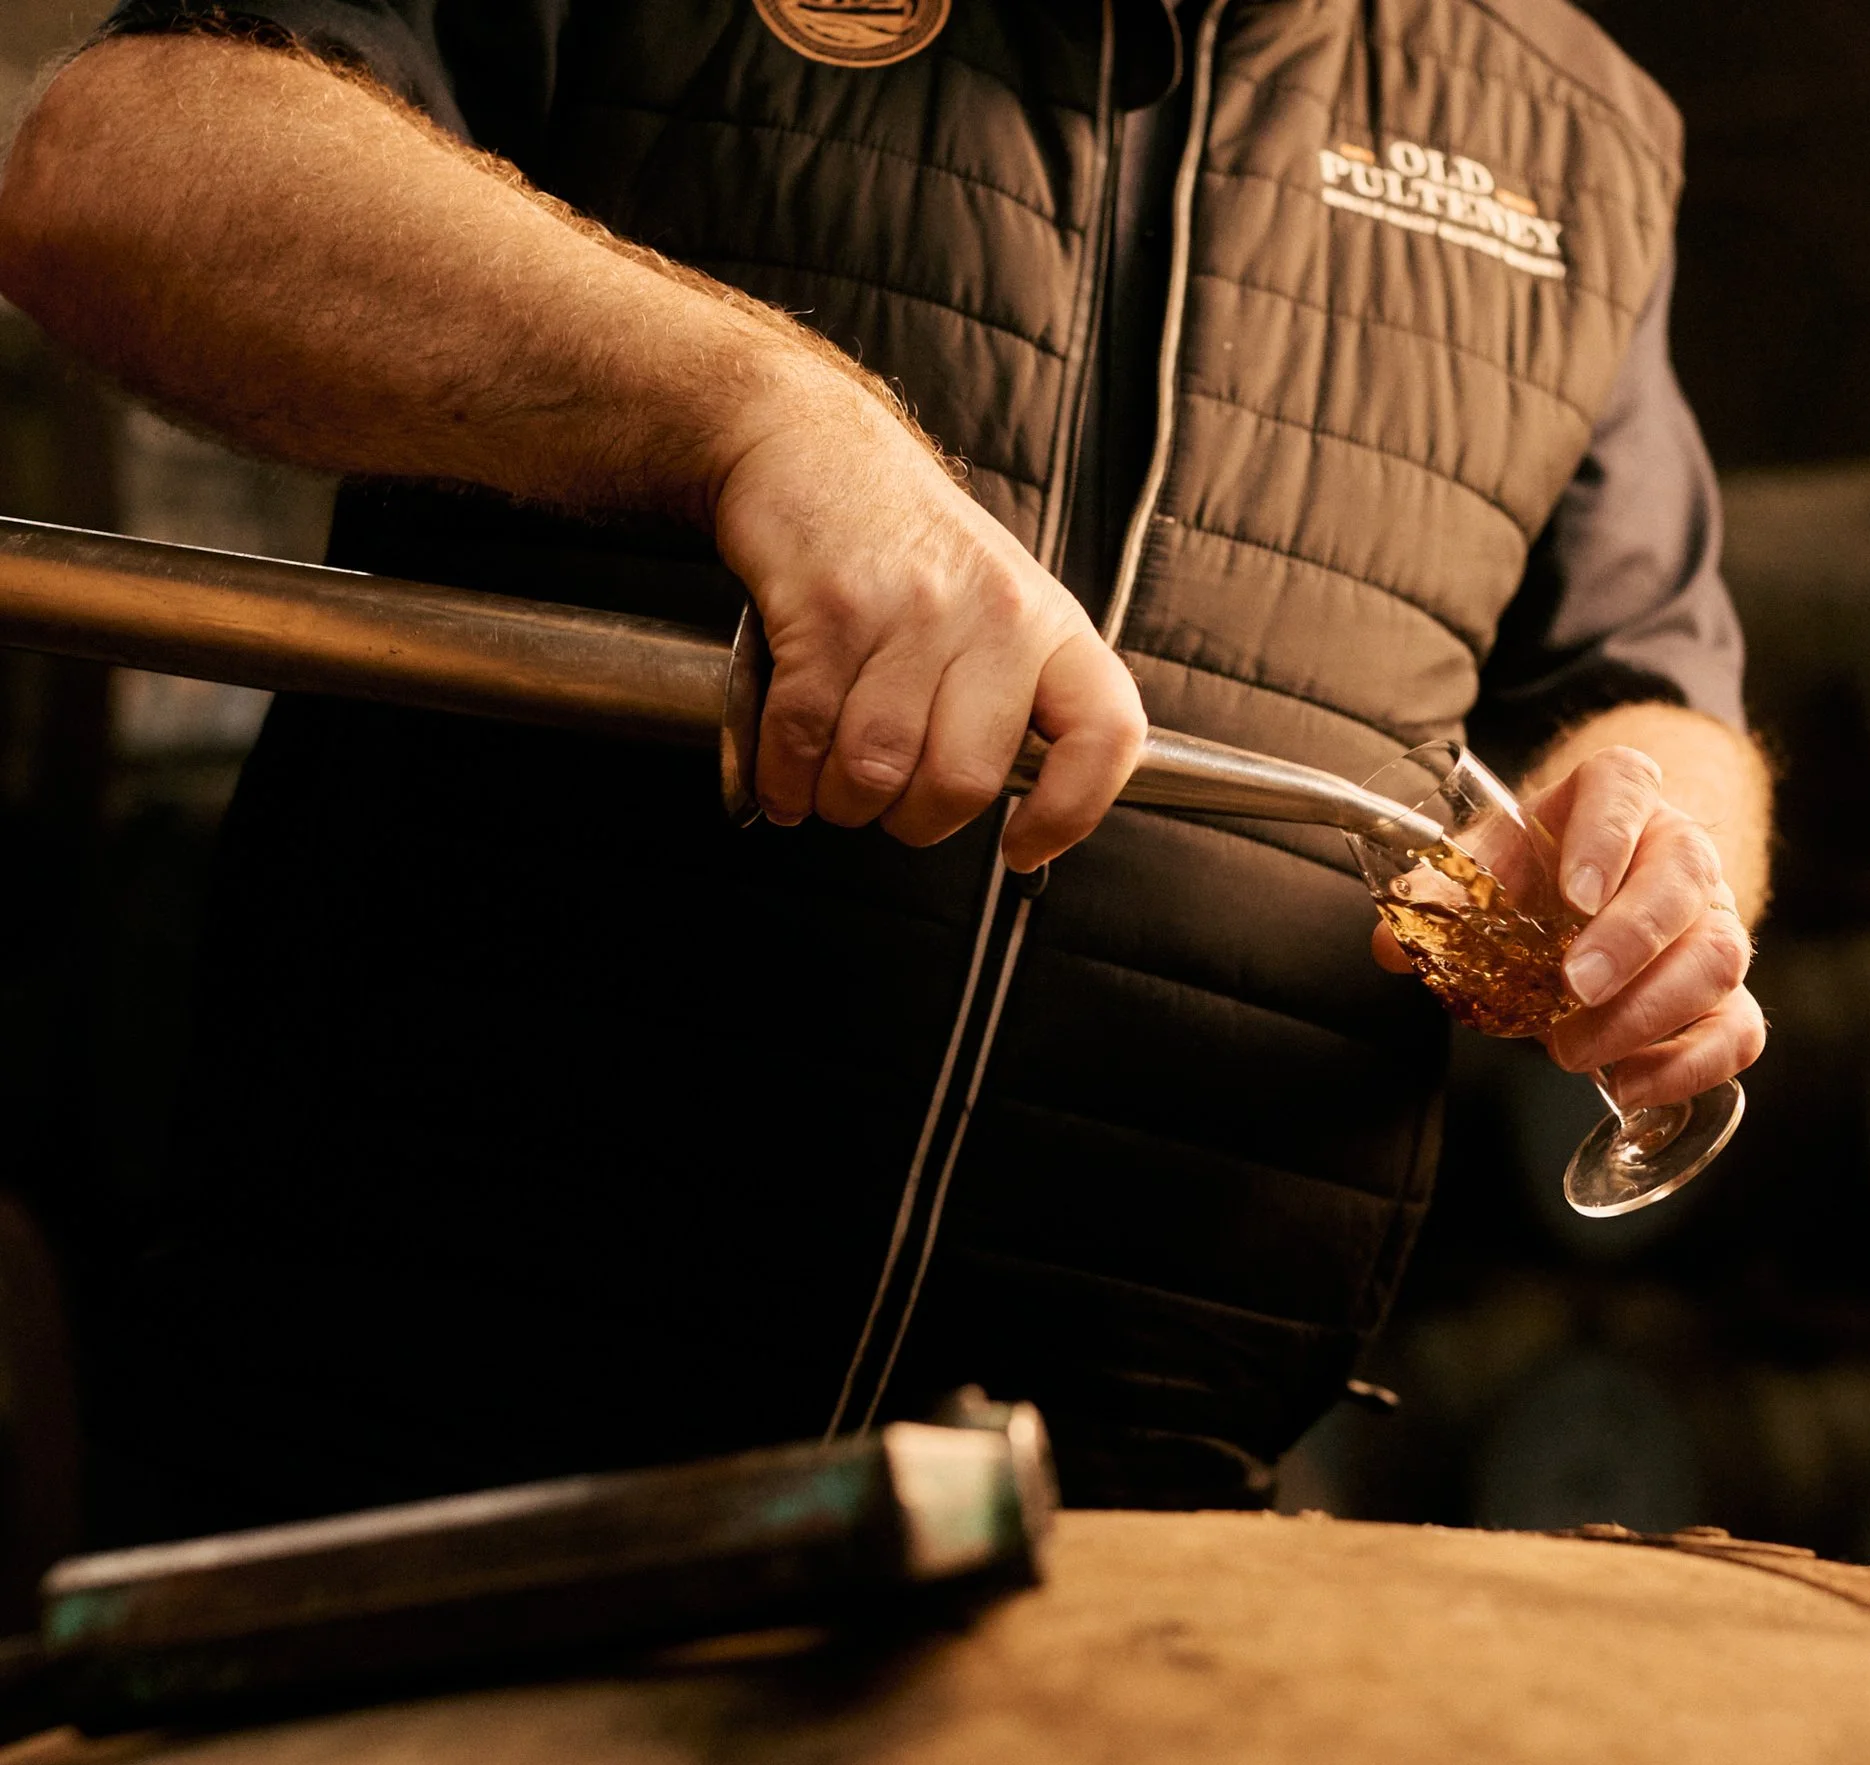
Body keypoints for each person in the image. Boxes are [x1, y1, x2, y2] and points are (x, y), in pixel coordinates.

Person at [0, 0, 1770, 1536]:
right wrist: (760, 413)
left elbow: (1648, 674)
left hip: (1125, 1528)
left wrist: (1661, 843)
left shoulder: (1578, 126)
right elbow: (125, 165)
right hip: (408, 1424)